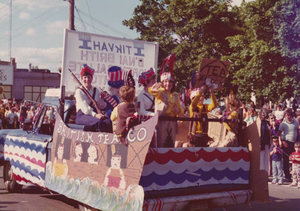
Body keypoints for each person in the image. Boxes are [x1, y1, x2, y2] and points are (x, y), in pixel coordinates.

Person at [149, 72, 184, 147]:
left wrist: (178, 110)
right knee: (161, 144)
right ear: (162, 82)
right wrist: (156, 86)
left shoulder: (176, 95)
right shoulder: (160, 93)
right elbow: (152, 91)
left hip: (172, 123)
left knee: (170, 144)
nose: (168, 84)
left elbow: (181, 111)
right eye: (165, 81)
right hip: (161, 123)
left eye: (170, 81)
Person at [74, 64, 112, 132]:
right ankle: (100, 141)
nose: (87, 79)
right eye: (85, 77)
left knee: (108, 122)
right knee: (98, 122)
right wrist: (95, 115)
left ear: (92, 78)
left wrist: (102, 99)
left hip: (94, 114)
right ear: (82, 79)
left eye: (89, 77)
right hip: (82, 115)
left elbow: (100, 106)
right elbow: (84, 108)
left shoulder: (95, 90)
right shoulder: (79, 91)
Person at [277, 108, 299, 182]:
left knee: (294, 159)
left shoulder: (296, 123)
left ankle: (295, 175)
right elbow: (278, 134)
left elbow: (297, 132)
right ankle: (287, 176)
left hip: (294, 143)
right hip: (285, 142)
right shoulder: (283, 124)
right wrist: (281, 141)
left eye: (289, 115)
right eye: (286, 115)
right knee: (286, 160)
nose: (288, 117)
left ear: (292, 116)